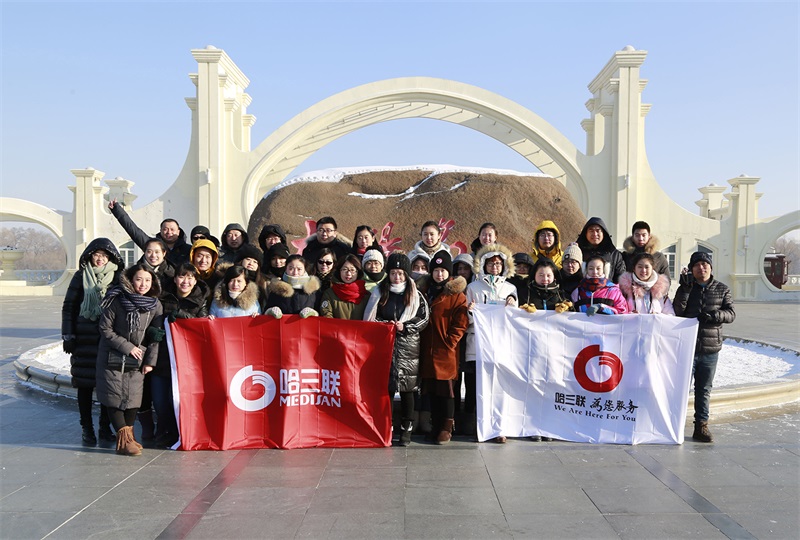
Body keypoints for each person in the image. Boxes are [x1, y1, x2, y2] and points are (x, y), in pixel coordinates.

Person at [95, 264, 163, 456]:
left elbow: (156, 335)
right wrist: (128, 347)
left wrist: (150, 361)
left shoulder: (155, 304)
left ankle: (129, 439)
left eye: (148, 280)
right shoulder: (116, 299)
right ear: (131, 280)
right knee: (113, 397)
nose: (143, 284)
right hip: (112, 355)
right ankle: (123, 441)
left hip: (138, 358)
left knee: (133, 398)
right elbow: (105, 328)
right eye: (139, 279)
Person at [62, 238, 124, 446]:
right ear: (90, 256)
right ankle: (86, 428)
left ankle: (105, 427)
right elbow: (69, 306)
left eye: (105, 256)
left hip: (108, 338)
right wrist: (68, 335)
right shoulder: (81, 276)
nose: (100, 259)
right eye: (97, 255)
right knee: (85, 386)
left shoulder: (117, 278)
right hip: (83, 339)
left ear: (111, 258)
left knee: (107, 385)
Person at [364, 252, 429, 446]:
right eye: (393, 273)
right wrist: (385, 325)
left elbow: (424, 318)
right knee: (387, 389)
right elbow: (371, 318)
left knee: (408, 390)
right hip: (385, 346)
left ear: (406, 274)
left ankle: (406, 429)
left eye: (401, 273)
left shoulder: (416, 294)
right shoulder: (380, 292)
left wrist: (406, 326)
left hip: (409, 348)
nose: (397, 277)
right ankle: (387, 426)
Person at [673, 251, 735, 443]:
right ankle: (674, 424)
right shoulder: (686, 288)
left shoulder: (722, 289)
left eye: (704, 264)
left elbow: (731, 314)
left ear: (710, 267)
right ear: (691, 269)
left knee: (704, 389)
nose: (701, 268)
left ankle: (701, 426)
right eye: (697, 265)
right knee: (681, 388)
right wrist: (684, 289)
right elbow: (677, 311)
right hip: (688, 347)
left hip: (710, 348)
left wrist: (714, 316)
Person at [465, 243, 518, 443]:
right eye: (490, 263)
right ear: (483, 265)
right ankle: (475, 427)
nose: (494, 267)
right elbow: (467, 318)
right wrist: (471, 311)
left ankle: (499, 428)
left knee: (499, 388)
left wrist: (512, 305)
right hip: (477, 345)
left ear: (504, 265)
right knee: (475, 387)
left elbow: (515, 319)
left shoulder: (510, 288)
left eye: (498, 264)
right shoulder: (473, 287)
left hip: (501, 345)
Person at [153, 263, 209, 447]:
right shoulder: (162, 297)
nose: (186, 281)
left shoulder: (201, 300)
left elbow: (203, 327)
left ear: (195, 281)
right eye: (182, 276)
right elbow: (152, 320)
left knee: (176, 401)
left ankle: (177, 434)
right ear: (175, 279)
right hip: (162, 357)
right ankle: (163, 432)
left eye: (190, 277)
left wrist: (185, 317)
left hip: (185, 361)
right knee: (160, 402)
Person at [418, 251, 468, 444]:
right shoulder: (424, 291)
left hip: (446, 351)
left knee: (446, 391)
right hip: (427, 349)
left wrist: (450, 342)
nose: (439, 274)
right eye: (436, 270)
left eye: (443, 271)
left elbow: (461, 323)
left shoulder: (456, 295)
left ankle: (446, 428)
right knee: (430, 390)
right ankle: (435, 425)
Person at [108, 199, 191, 266]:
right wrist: (117, 210)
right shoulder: (150, 244)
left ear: (178, 232)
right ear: (160, 231)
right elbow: (132, 229)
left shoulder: (188, 250)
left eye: (172, 229)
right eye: (165, 229)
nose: (169, 232)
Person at [575, 217, 626, 283]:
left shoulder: (614, 254)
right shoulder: (577, 252)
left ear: (603, 233)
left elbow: (621, 278)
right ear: (586, 233)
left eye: (598, 231)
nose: (595, 234)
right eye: (591, 231)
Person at [319, 254, 370, 320]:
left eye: (352, 270)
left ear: (358, 272)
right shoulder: (329, 294)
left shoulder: (366, 295)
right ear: (339, 271)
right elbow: (326, 315)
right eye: (345, 269)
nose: (348, 273)